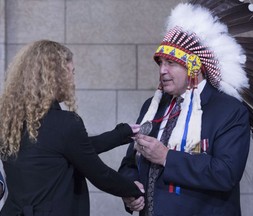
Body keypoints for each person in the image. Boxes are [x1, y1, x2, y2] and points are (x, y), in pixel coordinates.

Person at [119, 1, 253, 216]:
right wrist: (130, 189)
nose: (162, 71)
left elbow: (225, 173)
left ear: (194, 68)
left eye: (171, 63)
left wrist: (167, 157)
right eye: (160, 63)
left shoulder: (229, 111)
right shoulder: (153, 106)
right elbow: (130, 163)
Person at [0, 40, 145, 216]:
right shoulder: (65, 123)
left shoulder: (9, 122)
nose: (73, 80)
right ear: (56, 77)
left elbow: (72, 149)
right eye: (71, 72)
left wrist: (121, 134)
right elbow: (100, 175)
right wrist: (134, 189)